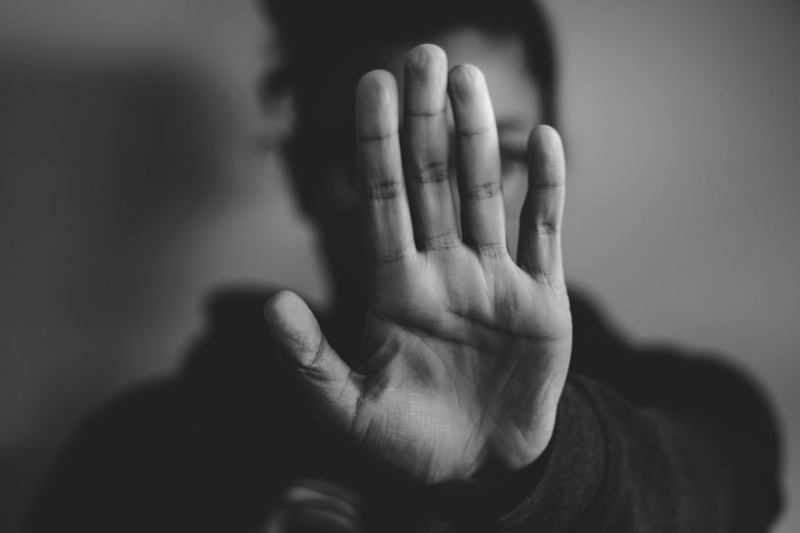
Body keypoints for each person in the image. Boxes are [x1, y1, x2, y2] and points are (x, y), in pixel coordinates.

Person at [23, 0, 783, 531]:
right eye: (382, 156)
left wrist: (543, 467)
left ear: (557, 164)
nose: (442, 199)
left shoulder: (699, 410)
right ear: (300, 175)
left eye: (499, 152)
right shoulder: (134, 454)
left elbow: (716, 486)